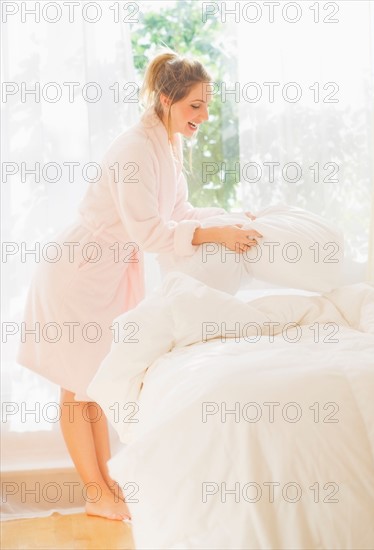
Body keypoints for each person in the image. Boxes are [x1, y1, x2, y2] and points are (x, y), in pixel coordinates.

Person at [16, 51, 262, 521]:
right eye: (195, 106)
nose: (204, 116)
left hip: (105, 275)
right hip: (77, 273)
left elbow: (181, 214)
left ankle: (105, 488)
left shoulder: (168, 143)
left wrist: (230, 219)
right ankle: (95, 492)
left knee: (92, 386)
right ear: (166, 100)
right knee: (75, 389)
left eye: (207, 105)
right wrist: (217, 235)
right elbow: (151, 232)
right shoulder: (134, 149)